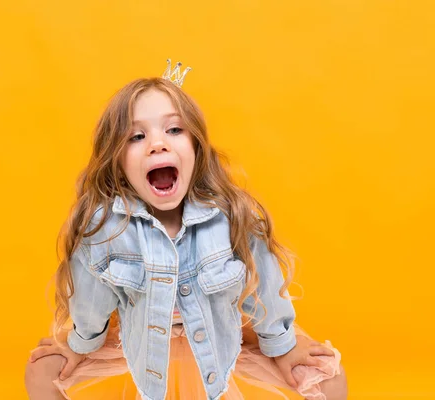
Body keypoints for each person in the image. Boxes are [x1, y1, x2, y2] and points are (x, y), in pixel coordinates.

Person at [25, 59, 348, 400]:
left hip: (218, 328)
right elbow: (91, 300)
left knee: (328, 375)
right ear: (117, 162)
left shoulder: (230, 214)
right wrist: (80, 344)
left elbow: (263, 286)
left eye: (174, 130)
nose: (158, 143)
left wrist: (282, 346)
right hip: (140, 334)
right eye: (137, 136)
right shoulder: (107, 228)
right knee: (41, 370)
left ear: (196, 148)